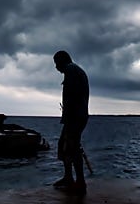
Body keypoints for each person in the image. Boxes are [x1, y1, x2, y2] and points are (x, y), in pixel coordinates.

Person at [53, 50, 89, 195]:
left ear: (62, 61)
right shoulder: (74, 70)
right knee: (64, 146)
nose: (56, 68)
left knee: (72, 148)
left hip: (75, 117)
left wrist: (68, 118)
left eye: (56, 63)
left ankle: (80, 182)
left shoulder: (70, 70)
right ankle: (68, 177)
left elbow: (72, 97)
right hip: (75, 116)